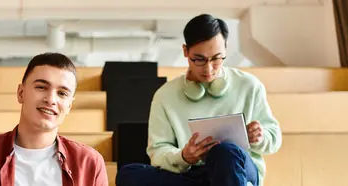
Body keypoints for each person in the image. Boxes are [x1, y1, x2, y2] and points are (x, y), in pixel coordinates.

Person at [115, 14, 282, 186]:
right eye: (199, 60)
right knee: (128, 174)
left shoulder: (249, 86)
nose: (208, 68)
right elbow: (158, 152)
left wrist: (260, 137)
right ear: (185, 51)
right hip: (191, 174)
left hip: (236, 169)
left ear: (225, 49)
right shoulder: (164, 95)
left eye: (216, 58)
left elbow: (274, 138)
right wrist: (184, 156)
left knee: (225, 152)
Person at [0, 52, 109, 186]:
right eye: (41, 87)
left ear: (69, 106)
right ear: (21, 93)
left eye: (62, 93)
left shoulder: (90, 163)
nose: (51, 99)